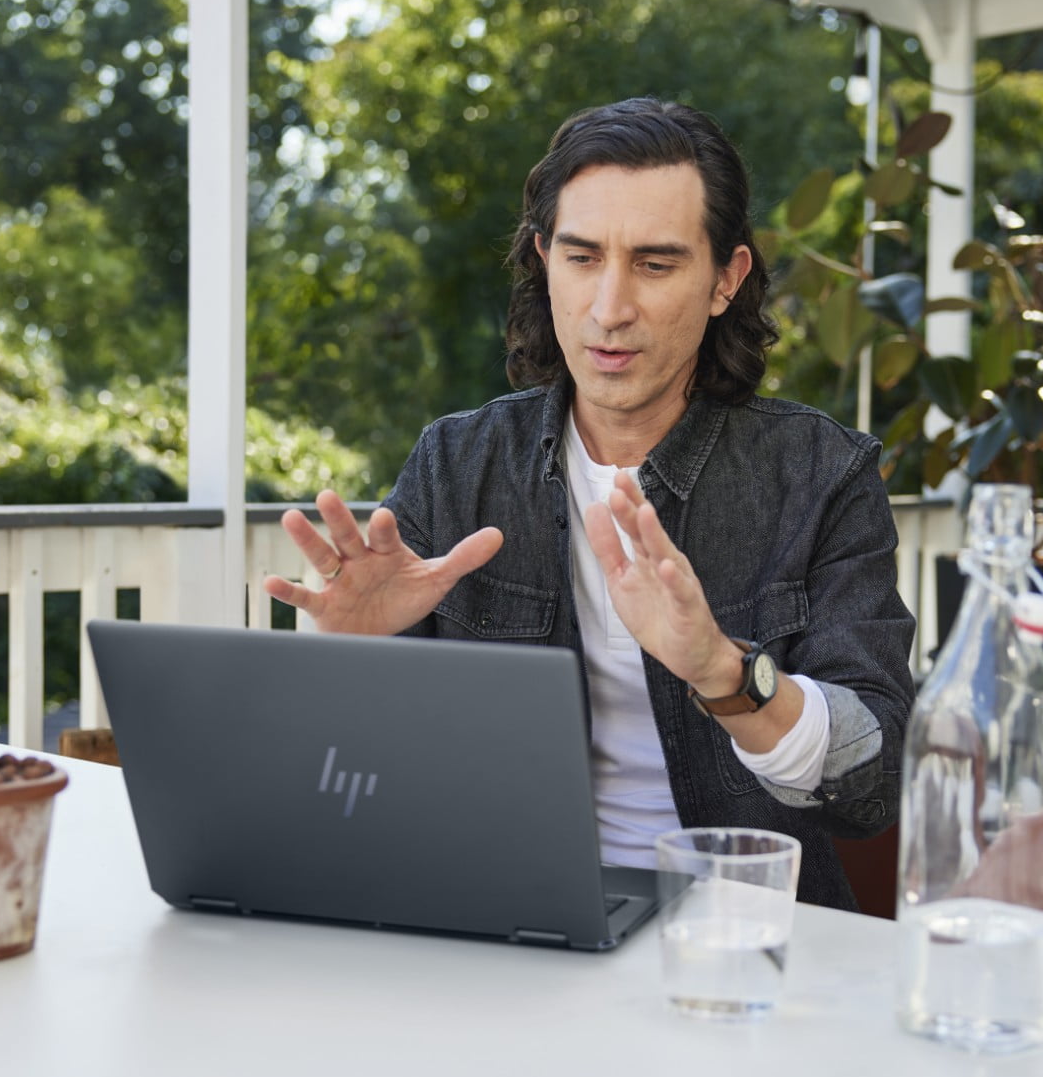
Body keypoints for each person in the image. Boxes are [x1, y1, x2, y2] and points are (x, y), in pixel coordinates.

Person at [264, 97, 915, 911]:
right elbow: (351, 782)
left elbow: (872, 780)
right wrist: (344, 652)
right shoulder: (457, 463)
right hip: (500, 916)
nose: (609, 309)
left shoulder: (821, 475)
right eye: (581, 259)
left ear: (726, 280)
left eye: (654, 263)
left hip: (738, 935)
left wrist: (723, 672)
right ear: (544, 261)